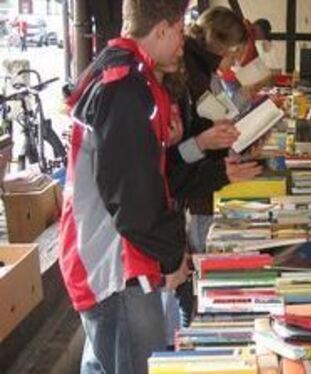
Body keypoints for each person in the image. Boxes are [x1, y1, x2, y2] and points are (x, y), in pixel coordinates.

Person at [58, 1, 191, 373]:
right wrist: (171, 259)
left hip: (107, 256)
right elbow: (133, 201)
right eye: (180, 31)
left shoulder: (125, 74)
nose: (183, 43)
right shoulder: (127, 89)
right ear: (161, 29)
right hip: (116, 265)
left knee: (104, 360)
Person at [176, 6, 263, 326]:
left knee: (202, 269)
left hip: (205, 177)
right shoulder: (192, 73)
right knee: (201, 270)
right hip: (198, 187)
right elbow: (210, 124)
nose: (236, 60)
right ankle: (193, 325)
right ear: (218, 45)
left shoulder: (201, 70)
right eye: (234, 52)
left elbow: (219, 116)